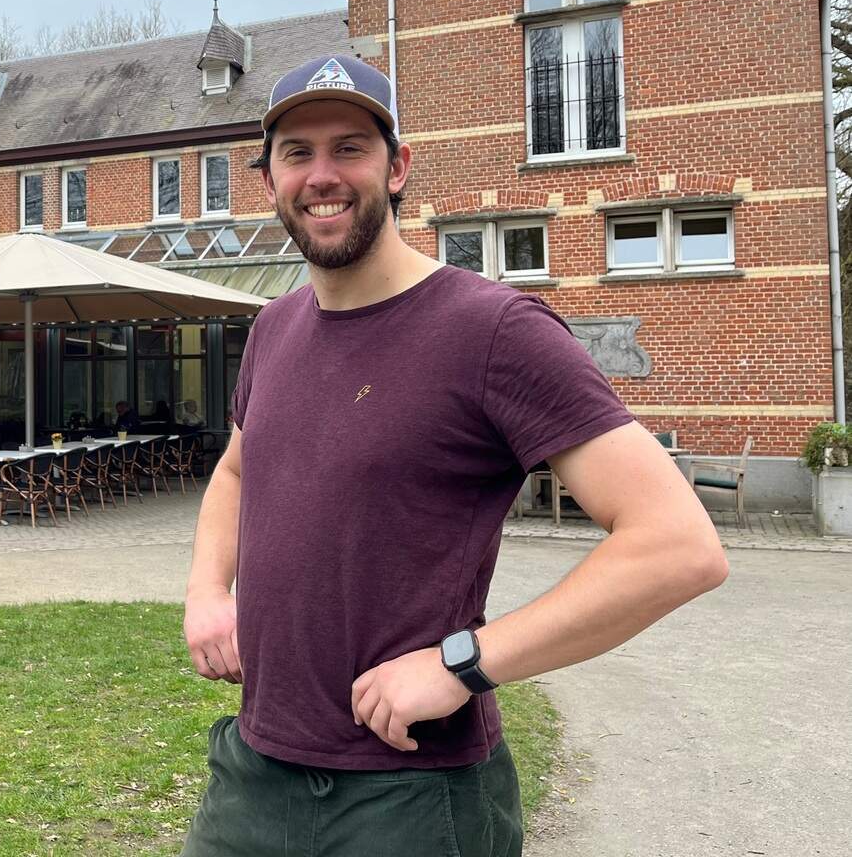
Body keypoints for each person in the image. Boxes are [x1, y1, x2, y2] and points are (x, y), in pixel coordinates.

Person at [180, 55, 728, 856]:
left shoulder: (494, 330)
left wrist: (463, 664)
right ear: (269, 180)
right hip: (251, 777)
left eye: (349, 149)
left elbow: (678, 545)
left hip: (410, 796)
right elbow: (236, 470)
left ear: (397, 167)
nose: (322, 175)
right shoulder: (274, 328)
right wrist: (206, 590)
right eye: (297, 153)